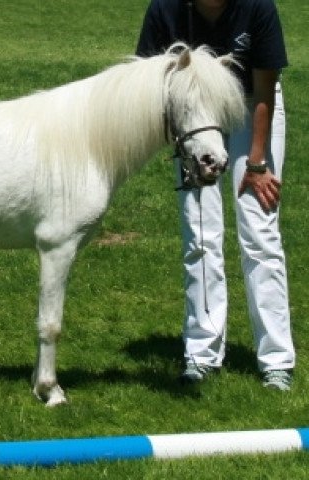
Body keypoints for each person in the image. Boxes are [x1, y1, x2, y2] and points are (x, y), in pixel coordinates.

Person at [136, 0, 295, 390]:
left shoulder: (258, 8)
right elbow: (146, 82)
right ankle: (201, 353)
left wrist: (257, 165)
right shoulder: (166, 11)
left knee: (259, 232)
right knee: (200, 234)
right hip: (194, 115)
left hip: (249, 106)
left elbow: (263, 91)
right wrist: (182, 139)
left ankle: (276, 359)